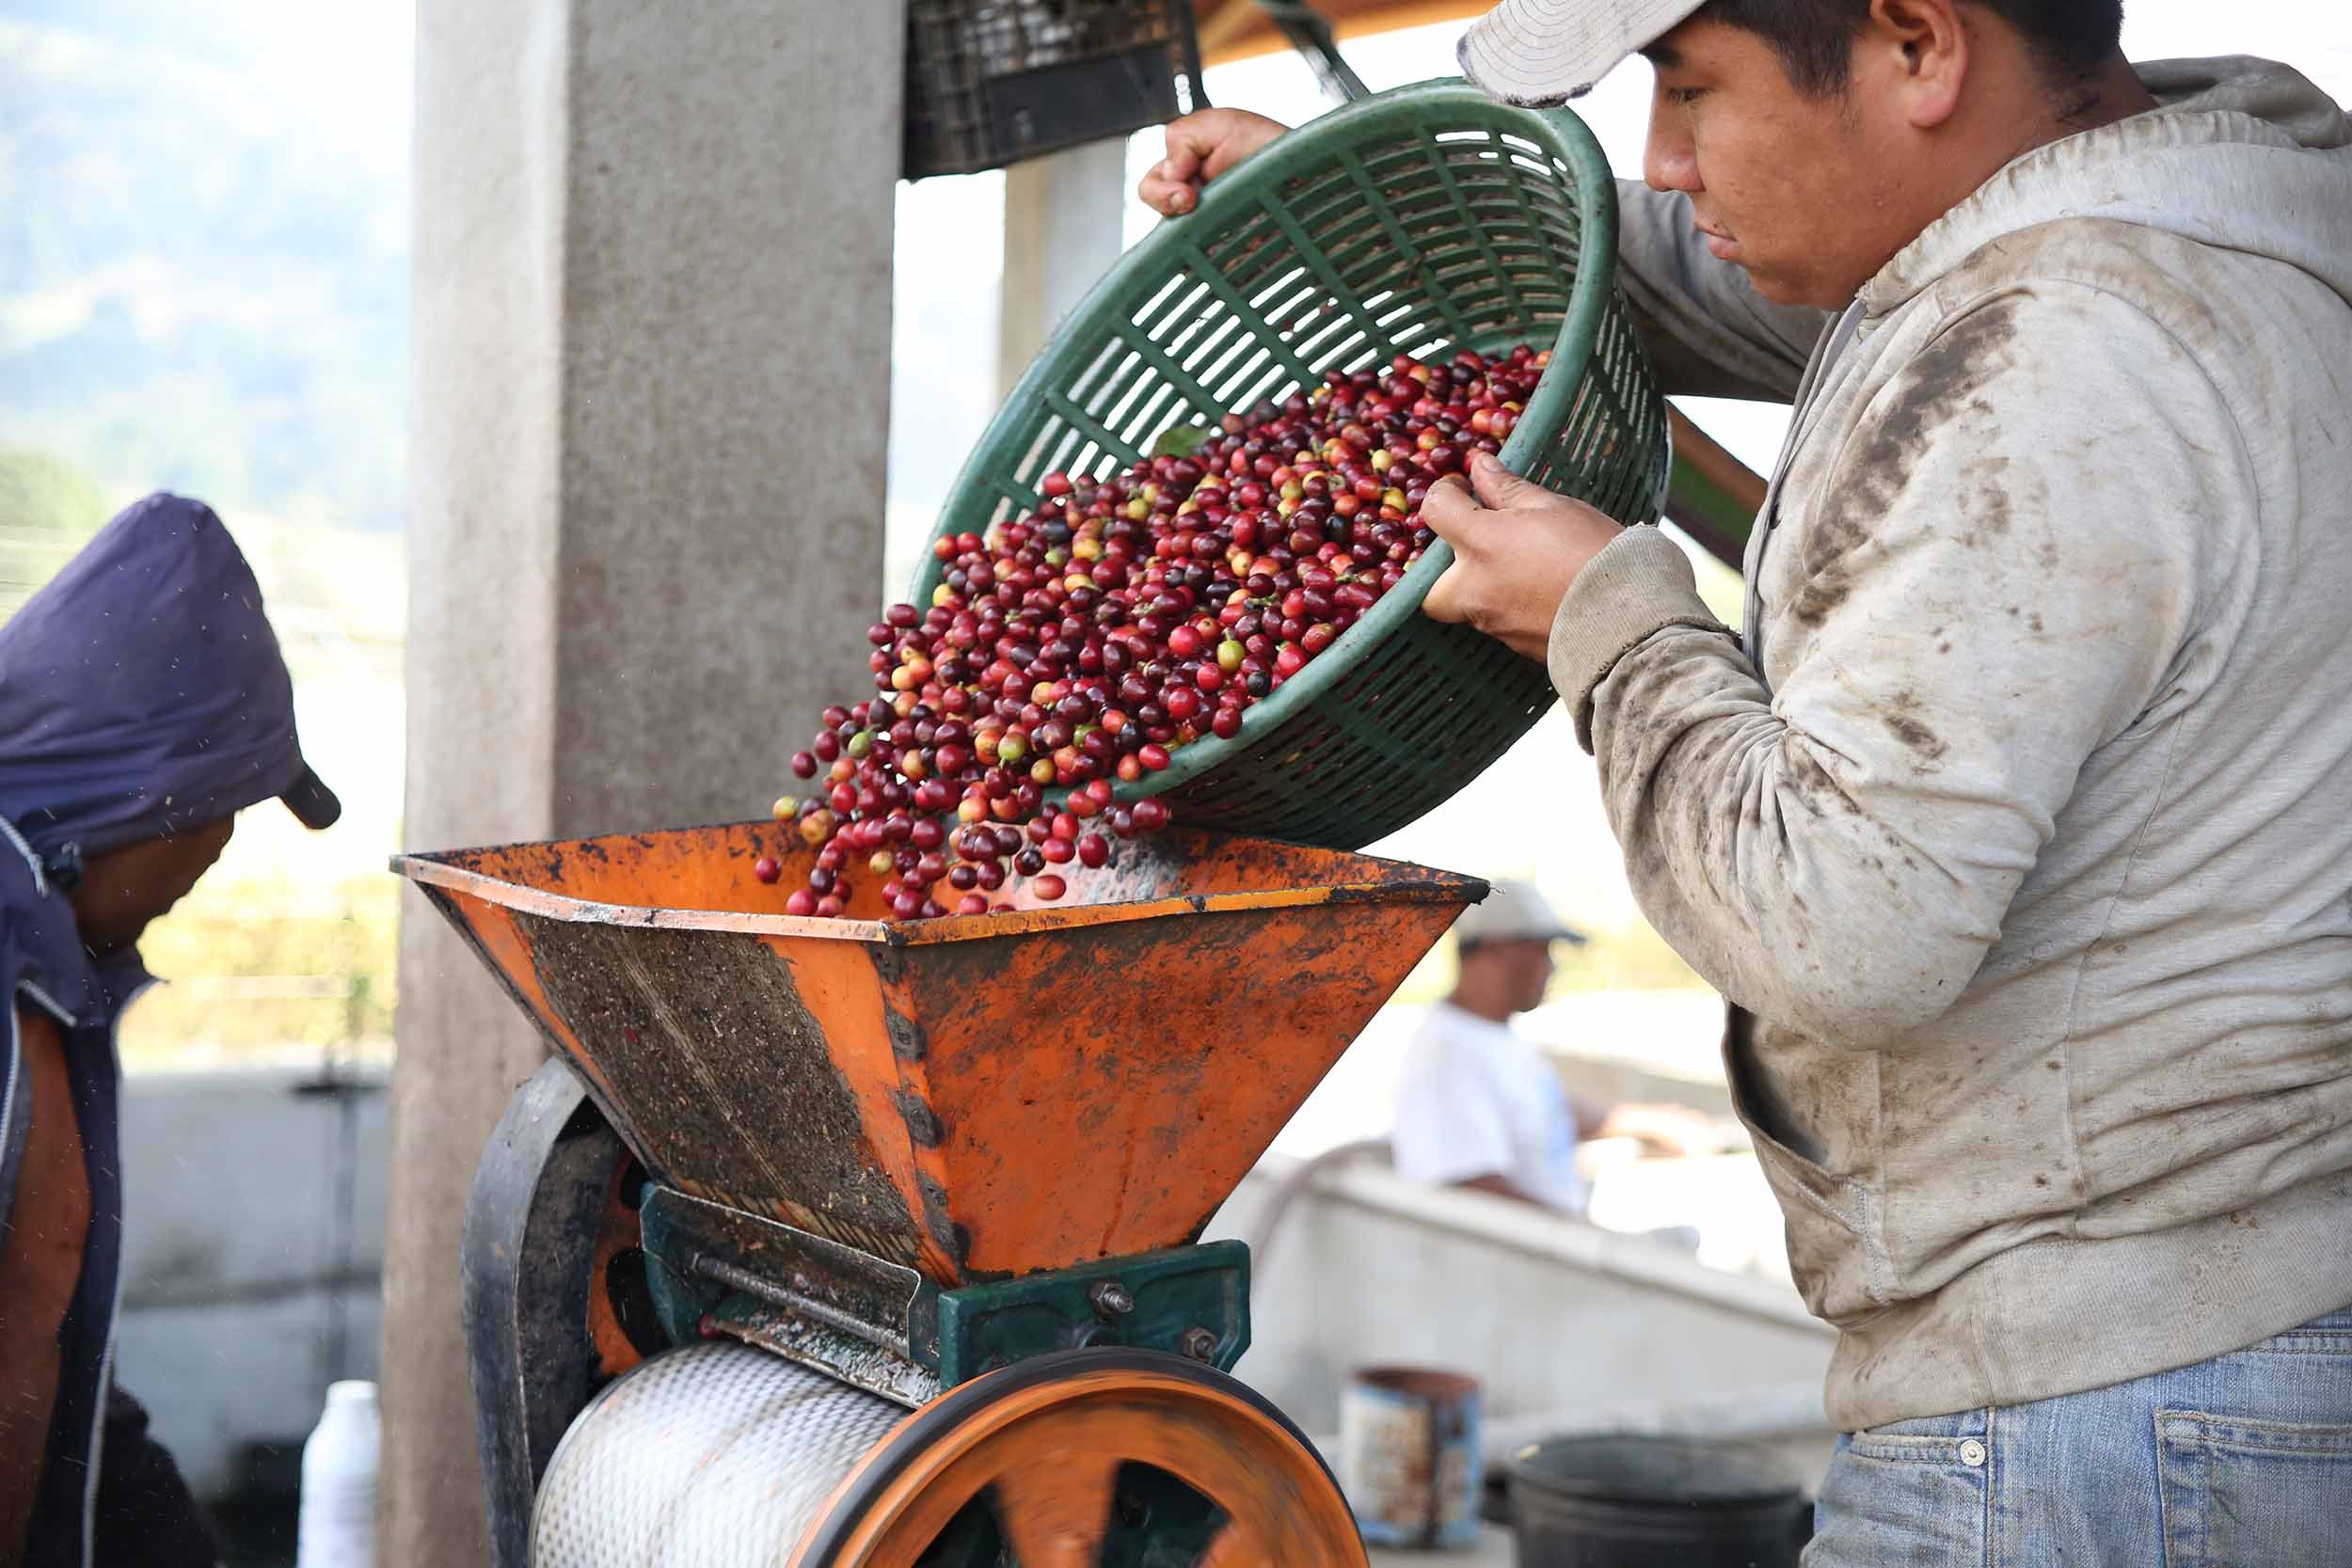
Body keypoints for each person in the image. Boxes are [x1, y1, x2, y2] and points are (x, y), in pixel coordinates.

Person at [1141, 4, 2352, 1560]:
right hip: (2223, 1345)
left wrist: (1612, 615)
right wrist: (1340, 200)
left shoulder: (2060, 351)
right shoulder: (2189, 235)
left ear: (1918, 44)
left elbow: (1840, 924)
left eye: (1689, 86)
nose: (1660, 155)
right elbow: (1687, 271)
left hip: (2094, 1417)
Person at [2, 494, 342, 1568]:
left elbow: (54, 1356)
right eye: (226, 805)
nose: (216, 856)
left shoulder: (54, 982)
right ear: (150, 792)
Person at [1392, 879, 1710, 1213]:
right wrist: (1579, 1239)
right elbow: (1472, 1192)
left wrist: (1652, 1122)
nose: (1551, 966)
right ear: (1493, 950)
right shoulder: (1447, 1052)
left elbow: (1544, 1109)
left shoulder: (1492, 1035)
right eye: (1541, 950)